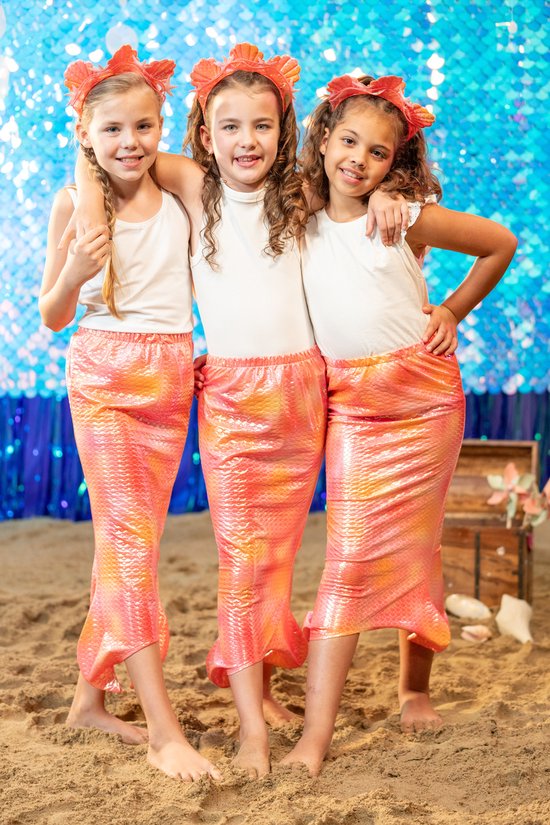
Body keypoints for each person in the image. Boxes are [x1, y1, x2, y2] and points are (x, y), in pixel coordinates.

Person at [68, 44, 405, 779]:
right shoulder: (195, 185)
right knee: (242, 561)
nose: (247, 141)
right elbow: (101, 152)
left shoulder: (304, 192)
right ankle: (251, 726)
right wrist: (89, 211)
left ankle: (261, 687)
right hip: (230, 397)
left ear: (286, 131)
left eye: (263, 125)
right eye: (229, 126)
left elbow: (364, 177)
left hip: (303, 392)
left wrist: (393, 195)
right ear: (204, 132)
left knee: (277, 558)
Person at [280, 73, 517, 776]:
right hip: (354, 405)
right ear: (324, 138)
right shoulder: (296, 213)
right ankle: (315, 738)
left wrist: (451, 310)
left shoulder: (402, 214)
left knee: (420, 546)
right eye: (349, 141)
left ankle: (415, 689)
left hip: (424, 398)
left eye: (378, 152)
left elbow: (499, 243)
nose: (359, 159)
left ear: (395, 163)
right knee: (348, 558)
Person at [39, 46, 221, 782]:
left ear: (161, 127)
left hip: (170, 377)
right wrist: (75, 272)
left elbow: (214, 192)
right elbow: (52, 314)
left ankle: (90, 701)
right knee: (127, 548)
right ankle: (162, 732)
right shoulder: (73, 203)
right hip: (106, 376)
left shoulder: (174, 185)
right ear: (86, 133)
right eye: (112, 129)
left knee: (124, 550)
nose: (130, 142)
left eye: (144, 126)